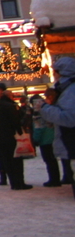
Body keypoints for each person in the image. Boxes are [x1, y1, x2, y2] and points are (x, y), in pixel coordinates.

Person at [0, 83, 31, 190]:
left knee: (6, 160)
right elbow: (16, 122)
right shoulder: (11, 106)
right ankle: (19, 182)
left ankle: (12, 182)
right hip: (11, 137)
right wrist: (21, 131)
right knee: (16, 160)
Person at [41, 56, 75, 200]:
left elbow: (69, 118)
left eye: (55, 71)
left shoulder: (69, 91)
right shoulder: (64, 89)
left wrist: (45, 109)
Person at [30, 95, 62, 187]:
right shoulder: (47, 111)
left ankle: (54, 180)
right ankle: (56, 179)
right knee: (53, 160)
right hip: (52, 138)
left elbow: (39, 128)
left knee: (49, 160)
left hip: (45, 140)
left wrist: (35, 140)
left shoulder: (38, 114)